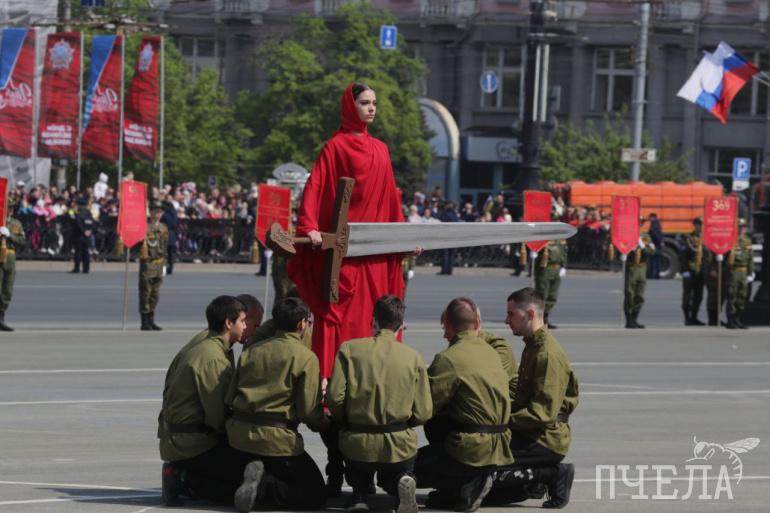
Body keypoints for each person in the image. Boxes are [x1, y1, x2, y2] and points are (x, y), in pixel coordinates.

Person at [287, 82, 406, 381]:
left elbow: (391, 201)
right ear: (350, 107)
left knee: (377, 319)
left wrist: (404, 239)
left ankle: (376, 382)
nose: (371, 108)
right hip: (346, 258)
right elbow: (316, 186)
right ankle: (335, 385)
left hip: (376, 255)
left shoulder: (381, 149)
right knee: (345, 322)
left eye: (374, 103)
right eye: (365, 103)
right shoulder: (335, 146)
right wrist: (309, 227)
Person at [326, 295, 432, 513]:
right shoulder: (414, 357)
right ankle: (401, 483)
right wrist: (404, 423)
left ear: (373, 321)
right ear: (401, 325)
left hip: (358, 442)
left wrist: (346, 421)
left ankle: (359, 495)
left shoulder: (349, 350)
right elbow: (424, 411)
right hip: (398, 443)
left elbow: (334, 398)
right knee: (397, 472)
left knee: (357, 467)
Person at [227, 297, 327, 513]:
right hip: (277, 440)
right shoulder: (305, 358)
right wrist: (325, 422)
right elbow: (308, 411)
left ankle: (255, 480)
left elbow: (230, 396)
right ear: (302, 324)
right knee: (314, 494)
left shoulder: (251, 351)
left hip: (239, 435)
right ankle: (263, 487)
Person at [417, 297, 513, 512]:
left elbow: (425, 406)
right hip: (500, 445)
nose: (444, 335)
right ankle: (460, 488)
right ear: (476, 324)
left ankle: (468, 480)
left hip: (471, 447)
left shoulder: (448, 358)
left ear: (449, 325)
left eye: (445, 328)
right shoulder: (493, 353)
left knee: (405, 472)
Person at [489, 288, 578, 509]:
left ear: (529, 314)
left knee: (480, 462)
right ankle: (530, 483)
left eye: (511, 314)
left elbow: (541, 413)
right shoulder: (532, 346)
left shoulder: (546, 354)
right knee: (480, 472)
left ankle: (551, 474)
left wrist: (500, 421)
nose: (506, 320)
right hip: (530, 431)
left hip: (544, 438)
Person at [158, 295, 249, 506]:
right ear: (229, 323)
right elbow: (218, 417)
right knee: (242, 487)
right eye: (242, 321)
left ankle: (184, 473)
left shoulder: (204, 342)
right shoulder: (212, 358)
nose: (245, 326)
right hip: (192, 444)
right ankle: (182, 478)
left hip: (179, 439)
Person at [140, 202, 169, 331]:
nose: (158, 214)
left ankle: (151, 319)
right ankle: (144, 321)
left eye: (160, 212)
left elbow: (165, 245)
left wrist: (165, 264)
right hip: (148, 263)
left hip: (160, 263)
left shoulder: (163, 227)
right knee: (145, 292)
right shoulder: (145, 227)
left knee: (155, 293)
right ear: (151, 213)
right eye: (156, 211)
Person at [624, 218, 654, 329]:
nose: (639, 225)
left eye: (641, 223)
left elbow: (651, 250)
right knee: (629, 293)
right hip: (631, 267)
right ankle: (628, 320)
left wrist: (643, 246)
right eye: (638, 223)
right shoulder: (627, 236)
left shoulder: (646, 236)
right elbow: (622, 249)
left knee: (640, 295)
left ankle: (634, 319)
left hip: (642, 268)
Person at [725, 219, 753, 329]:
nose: (742, 229)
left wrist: (750, 272)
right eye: (740, 227)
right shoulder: (730, 240)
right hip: (734, 271)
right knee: (732, 294)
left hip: (744, 271)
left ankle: (738, 318)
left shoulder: (747, 241)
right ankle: (730, 319)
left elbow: (750, 258)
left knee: (742, 295)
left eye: (744, 227)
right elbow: (725, 257)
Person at [533, 238, 567, 329]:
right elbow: (534, 248)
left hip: (557, 269)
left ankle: (545, 317)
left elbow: (564, 252)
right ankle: (537, 318)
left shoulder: (561, 239)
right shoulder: (544, 238)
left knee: (553, 295)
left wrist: (563, 266)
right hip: (545, 269)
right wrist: (533, 253)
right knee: (542, 294)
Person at [0, 215, 25, 331]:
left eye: (12, 208)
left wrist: (10, 235)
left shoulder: (17, 223)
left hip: (10, 257)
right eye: (8, 207)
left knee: (7, 290)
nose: (10, 210)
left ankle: (1, 318)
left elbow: (22, 241)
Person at [680, 217, 706, 325]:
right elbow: (683, 256)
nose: (701, 227)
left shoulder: (706, 238)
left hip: (701, 270)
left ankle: (694, 317)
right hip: (690, 269)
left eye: (702, 224)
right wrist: (684, 270)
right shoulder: (688, 238)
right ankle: (687, 318)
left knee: (698, 296)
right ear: (695, 225)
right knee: (688, 295)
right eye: (699, 224)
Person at [70, 195, 93, 274]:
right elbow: (92, 222)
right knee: (86, 251)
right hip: (87, 235)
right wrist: (89, 230)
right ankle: (86, 268)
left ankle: (77, 268)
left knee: (78, 252)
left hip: (79, 235)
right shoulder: (88, 213)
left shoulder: (78, 213)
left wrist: (83, 231)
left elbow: (78, 223)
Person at [439, 202, 459, 276]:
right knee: (451, 255)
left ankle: (444, 270)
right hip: (453, 236)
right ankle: (450, 270)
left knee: (445, 254)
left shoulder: (445, 214)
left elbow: (442, 223)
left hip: (446, 236)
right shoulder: (455, 214)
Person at [161, 198, 179, 275]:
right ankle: (170, 267)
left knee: (164, 253)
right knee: (171, 254)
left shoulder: (165, 215)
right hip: (172, 235)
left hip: (165, 234)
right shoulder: (174, 214)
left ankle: (164, 268)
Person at [647, 213, 664, 279]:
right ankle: (656, 275)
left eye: (650, 217)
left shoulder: (654, 225)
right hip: (657, 245)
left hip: (655, 245)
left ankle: (654, 275)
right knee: (656, 260)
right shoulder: (656, 224)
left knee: (654, 260)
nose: (649, 219)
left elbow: (655, 234)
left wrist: (659, 242)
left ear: (653, 217)